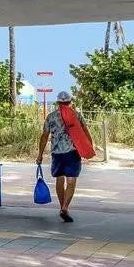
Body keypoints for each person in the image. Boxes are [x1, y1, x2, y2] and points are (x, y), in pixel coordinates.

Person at [36, 91, 89, 223]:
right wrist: (88, 148)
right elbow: (85, 132)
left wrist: (40, 154)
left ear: (58, 103)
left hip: (57, 154)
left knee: (59, 179)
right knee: (71, 181)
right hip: (72, 152)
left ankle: (62, 207)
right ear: (70, 102)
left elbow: (44, 136)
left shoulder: (51, 117)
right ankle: (65, 207)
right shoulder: (77, 115)